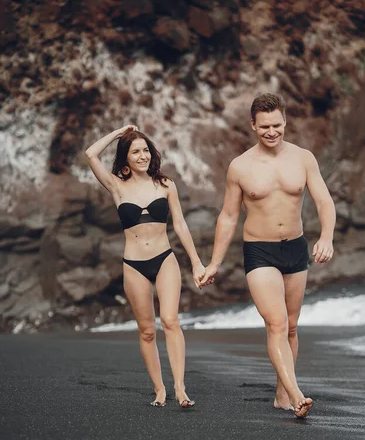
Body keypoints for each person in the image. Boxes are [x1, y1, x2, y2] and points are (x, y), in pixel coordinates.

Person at [200, 93, 336, 418]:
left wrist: (327, 237)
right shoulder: (240, 167)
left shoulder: (303, 158)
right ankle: (296, 393)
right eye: (264, 127)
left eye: (276, 125)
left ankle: (281, 394)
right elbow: (228, 216)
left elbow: (324, 201)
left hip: (295, 247)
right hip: (259, 250)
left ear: (285, 121)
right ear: (253, 125)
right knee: (275, 323)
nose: (271, 132)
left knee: (290, 326)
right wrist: (215, 262)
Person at [85, 125, 205, 408]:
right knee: (147, 331)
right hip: (134, 264)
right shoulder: (116, 186)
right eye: (135, 151)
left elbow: (180, 225)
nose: (142, 156)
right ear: (125, 158)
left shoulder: (165, 185)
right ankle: (159, 389)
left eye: (146, 150)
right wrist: (118, 134)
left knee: (171, 321)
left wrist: (197, 262)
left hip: (165, 259)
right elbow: (90, 154)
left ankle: (180, 388)